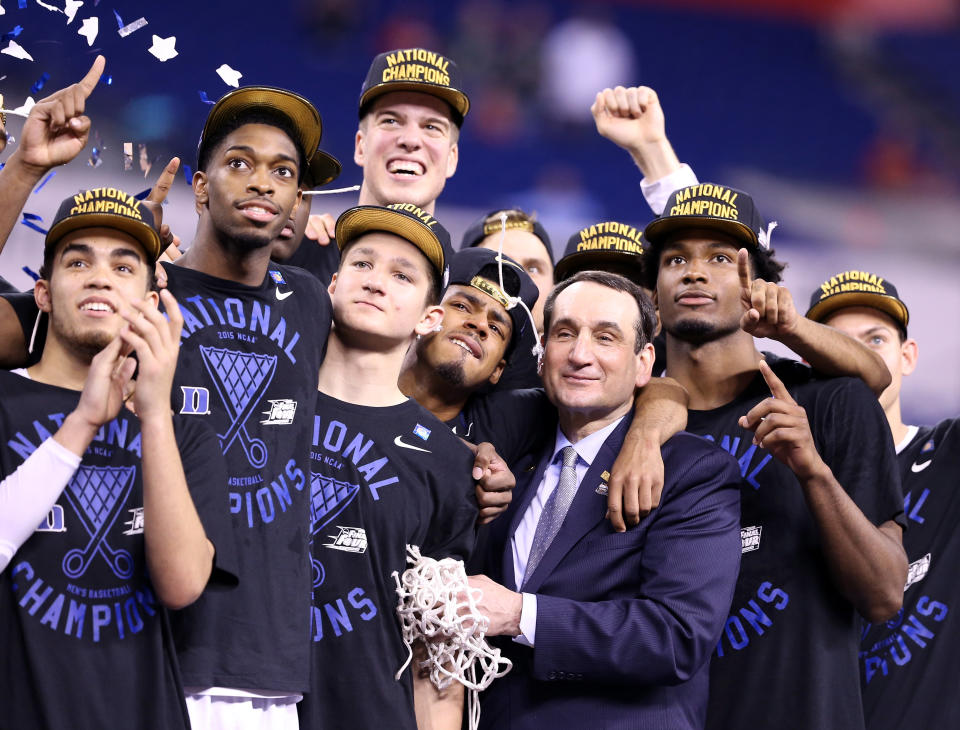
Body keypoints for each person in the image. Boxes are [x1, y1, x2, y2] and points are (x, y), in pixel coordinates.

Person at [641, 182, 908, 730]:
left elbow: (883, 595)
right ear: (652, 294)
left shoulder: (831, 403)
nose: (694, 272)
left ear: (758, 286)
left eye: (719, 258)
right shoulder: (624, 426)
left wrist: (814, 472)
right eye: (675, 259)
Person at [0, 187, 235, 729]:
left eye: (124, 266)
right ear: (42, 292)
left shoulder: (185, 431)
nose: (99, 276)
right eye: (77, 260)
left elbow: (181, 586)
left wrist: (154, 416)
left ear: (153, 299)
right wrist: (82, 423)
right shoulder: (3, 401)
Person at [469, 270, 743, 729]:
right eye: (565, 333)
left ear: (643, 363)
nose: (580, 355)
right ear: (542, 355)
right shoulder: (511, 453)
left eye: (606, 337)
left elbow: (677, 636)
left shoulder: (692, 471)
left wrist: (521, 615)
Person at [299, 203, 477, 729]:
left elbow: (436, 659)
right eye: (362, 264)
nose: (376, 282)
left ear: (430, 318)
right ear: (332, 284)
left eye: (402, 275)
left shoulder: (446, 461)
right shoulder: (268, 406)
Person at [805, 272, 960, 730]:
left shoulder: (951, 453)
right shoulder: (779, 469)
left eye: (875, 339)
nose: (857, 358)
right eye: (836, 342)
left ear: (906, 356)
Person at [280, 47, 467, 285]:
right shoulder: (294, 256)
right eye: (390, 120)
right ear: (360, 146)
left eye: (432, 127)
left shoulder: (460, 293)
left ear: (452, 158)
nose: (410, 140)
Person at [460, 208, 554, 391]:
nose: (521, 279)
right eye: (500, 265)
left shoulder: (571, 393)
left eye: (533, 269)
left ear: (555, 287)